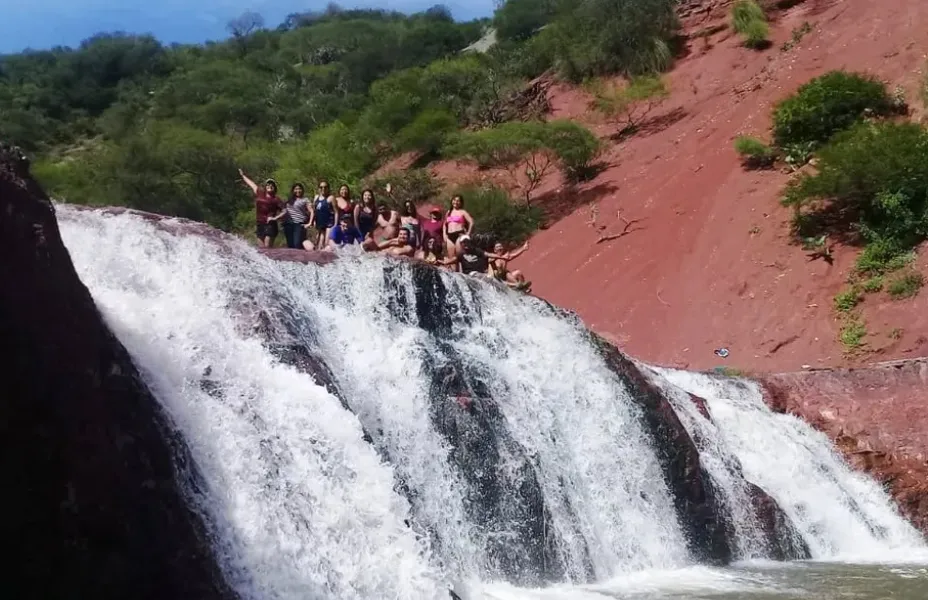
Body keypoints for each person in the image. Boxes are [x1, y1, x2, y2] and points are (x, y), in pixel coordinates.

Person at [239, 169, 283, 248]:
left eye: (272, 185)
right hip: (260, 223)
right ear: (265, 187)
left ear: (274, 188)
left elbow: (285, 211)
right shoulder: (260, 193)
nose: (270, 185)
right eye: (268, 184)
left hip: (270, 225)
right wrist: (243, 176)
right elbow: (252, 184)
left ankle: (272, 260)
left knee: (267, 247)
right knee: (261, 249)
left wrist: (275, 218)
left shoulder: (276, 199)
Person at [282, 182, 310, 249]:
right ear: (293, 190)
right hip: (288, 224)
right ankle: (291, 259)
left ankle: (302, 258)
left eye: (299, 189)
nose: (298, 190)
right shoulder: (289, 200)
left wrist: (310, 223)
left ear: (302, 190)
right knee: (290, 245)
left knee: (297, 244)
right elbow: (284, 211)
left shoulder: (305, 200)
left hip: (299, 224)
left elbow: (311, 211)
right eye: (296, 189)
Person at [309, 180, 335, 250]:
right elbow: (314, 210)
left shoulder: (331, 198)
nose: (323, 189)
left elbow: (336, 212)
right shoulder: (316, 197)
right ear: (319, 188)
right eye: (321, 187)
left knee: (326, 242)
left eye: (325, 187)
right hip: (319, 222)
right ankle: (319, 257)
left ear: (328, 188)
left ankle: (327, 257)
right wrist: (313, 221)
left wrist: (335, 224)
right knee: (318, 242)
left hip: (328, 223)